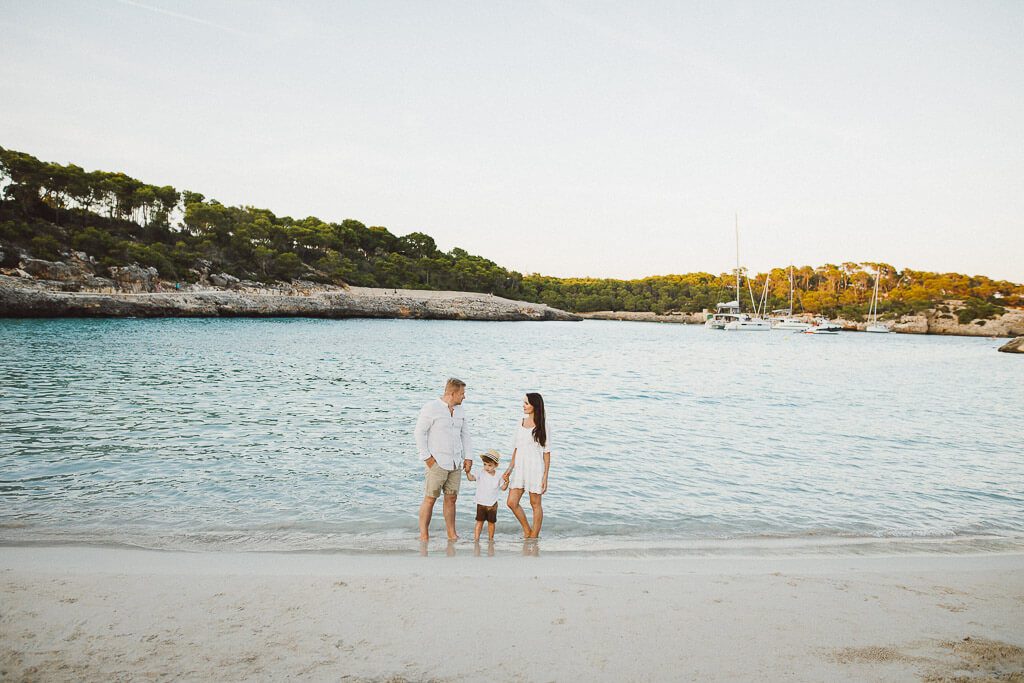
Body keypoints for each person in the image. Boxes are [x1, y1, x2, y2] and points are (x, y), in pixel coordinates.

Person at [414, 378, 472, 541]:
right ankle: (424, 534)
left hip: (455, 462)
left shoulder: (460, 410)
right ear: (452, 393)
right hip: (437, 462)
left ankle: (451, 534)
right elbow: (419, 433)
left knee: (451, 498)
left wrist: (468, 457)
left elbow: (465, 434)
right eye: (462, 393)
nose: (464, 397)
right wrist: (427, 458)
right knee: (430, 498)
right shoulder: (431, 408)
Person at [503, 393, 551, 539]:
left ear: (535, 406)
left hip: (535, 468)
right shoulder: (520, 422)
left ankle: (534, 536)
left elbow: (547, 453)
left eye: (526, 403)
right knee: (511, 502)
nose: (523, 405)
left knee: (535, 503)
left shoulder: (543, 426)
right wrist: (509, 471)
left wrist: (545, 477)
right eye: (524, 403)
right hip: (520, 468)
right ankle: (527, 530)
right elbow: (516, 449)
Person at [466, 449, 508, 542]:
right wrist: (468, 472)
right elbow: (471, 478)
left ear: (496, 465)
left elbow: (503, 488)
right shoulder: (480, 472)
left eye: (490, 465)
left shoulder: (498, 476)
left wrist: (507, 481)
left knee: (491, 523)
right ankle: (476, 539)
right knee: (479, 522)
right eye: (485, 464)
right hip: (481, 503)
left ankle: (491, 539)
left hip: (492, 504)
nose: (487, 467)